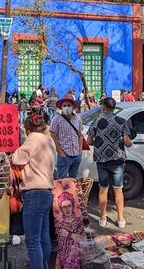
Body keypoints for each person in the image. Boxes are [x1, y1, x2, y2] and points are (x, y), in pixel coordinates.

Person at [11, 114, 56, 269]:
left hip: (34, 193)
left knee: (32, 242)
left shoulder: (33, 138)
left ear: (28, 128)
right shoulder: (48, 139)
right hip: (46, 192)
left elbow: (17, 158)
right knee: (43, 238)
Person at [87, 97, 132, 228]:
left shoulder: (97, 121)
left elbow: (89, 141)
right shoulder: (121, 122)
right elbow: (127, 143)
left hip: (101, 160)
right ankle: (121, 219)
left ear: (104, 107)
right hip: (117, 160)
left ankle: (102, 218)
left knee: (103, 189)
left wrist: (100, 143)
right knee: (118, 190)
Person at [50, 96, 83, 179]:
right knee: (61, 180)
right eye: (64, 106)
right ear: (61, 107)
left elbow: (80, 136)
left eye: (69, 105)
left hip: (76, 155)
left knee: (73, 179)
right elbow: (53, 137)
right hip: (64, 155)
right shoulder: (56, 119)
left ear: (73, 107)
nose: (67, 107)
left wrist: (80, 151)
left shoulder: (78, 119)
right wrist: (60, 152)